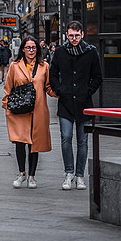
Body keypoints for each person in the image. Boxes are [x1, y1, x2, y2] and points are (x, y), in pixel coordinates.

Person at [49, 21, 103, 191]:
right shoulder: (59, 52)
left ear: (82, 35)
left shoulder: (91, 52)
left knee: (83, 141)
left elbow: (98, 76)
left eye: (77, 35)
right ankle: (69, 173)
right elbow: (53, 74)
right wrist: (59, 90)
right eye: (71, 35)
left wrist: (88, 91)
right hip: (65, 102)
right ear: (66, 35)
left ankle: (80, 175)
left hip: (84, 102)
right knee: (66, 138)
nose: (74, 38)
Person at [3, 36, 56, 189]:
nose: (31, 50)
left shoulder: (44, 66)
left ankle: (32, 177)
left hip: (38, 110)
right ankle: (21, 173)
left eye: (33, 48)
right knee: (20, 142)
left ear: (37, 50)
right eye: (28, 47)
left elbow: (48, 87)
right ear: (23, 50)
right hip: (19, 111)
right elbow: (8, 88)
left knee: (35, 144)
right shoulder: (15, 66)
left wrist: (60, 93)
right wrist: (7, 106)